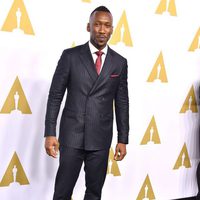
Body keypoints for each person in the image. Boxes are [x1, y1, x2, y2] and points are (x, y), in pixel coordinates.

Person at [44, 6, 129, 200]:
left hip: (100, 137)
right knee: (62, 192)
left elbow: (122, 102)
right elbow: (55, 95)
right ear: (88, 27)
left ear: (112, 29)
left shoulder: (119, 62)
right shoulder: (70, 56)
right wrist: (50, 133)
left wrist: (122, 138)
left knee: (94, 193)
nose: (101, 30)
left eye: (107, 25)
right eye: (97, 24)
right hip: (72, 134)